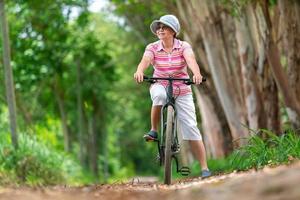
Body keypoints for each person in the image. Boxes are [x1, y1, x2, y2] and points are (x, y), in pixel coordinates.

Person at [133, 14, 211, 179]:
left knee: (191, 127)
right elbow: (145, 61)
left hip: (182, 87)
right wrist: (140, 71)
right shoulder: (152, 47)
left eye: (164, 27)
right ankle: (154, 130)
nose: (160, 29)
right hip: (160, 82)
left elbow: (191, 60)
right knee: (160, 96)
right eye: (159, 27)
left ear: (173, 31)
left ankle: (205, 168)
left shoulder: (183, 46)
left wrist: (196, 74)